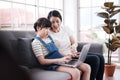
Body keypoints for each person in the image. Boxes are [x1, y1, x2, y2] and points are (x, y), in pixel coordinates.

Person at [47, 10, 105, 80]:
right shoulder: (48, 34)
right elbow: (54, 51)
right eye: (52, 22)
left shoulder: (65, 28)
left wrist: (73, 47)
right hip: (66, 57)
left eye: (57, 21)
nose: (55, 24)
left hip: (74, 54)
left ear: (61, 20)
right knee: (95, 59)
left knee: (101, 57)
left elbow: (74, 42)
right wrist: (68, 55)